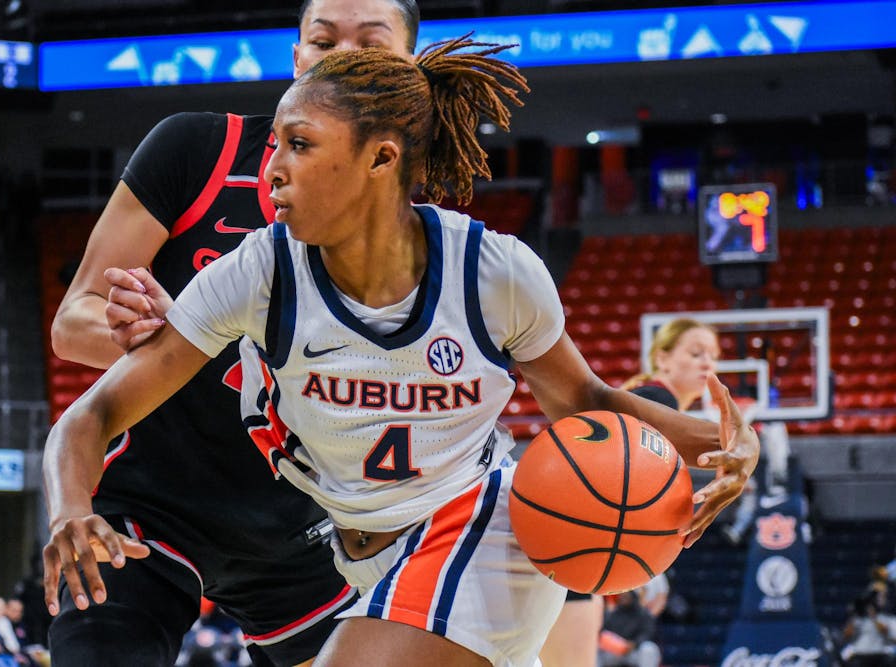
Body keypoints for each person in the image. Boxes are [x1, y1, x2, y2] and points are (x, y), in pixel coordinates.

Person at [43, 38, 759, 667]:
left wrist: (728, 441)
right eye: (274, 148)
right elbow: (93, 412)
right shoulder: (257, 270)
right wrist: (71, 506)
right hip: (353, 558)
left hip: (476, 529)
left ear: (381, 157)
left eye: (299, 144)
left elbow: (591, 404)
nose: (273, 170)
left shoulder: (494, 273)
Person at [42, 2, 421, 666]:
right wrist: (153, 335)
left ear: (408, 68)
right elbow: (73, 323)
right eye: (323, 39)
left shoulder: (423, 235)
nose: (341, 55)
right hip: (152, 503)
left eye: (371, 42)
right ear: (296, 56)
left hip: (305, 528)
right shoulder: (198, 149)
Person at [541, 318, 720, 665]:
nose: (707, 363)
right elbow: (617, 493)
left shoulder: (652, 403)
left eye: (713, 356)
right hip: (573, 549)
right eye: (696, 352)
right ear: (662, 358)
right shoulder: (657, 400)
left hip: (575, 549)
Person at [597, 590, 662, 667]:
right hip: (614, 651)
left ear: (633, 597)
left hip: (634, 651)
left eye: (626, 596)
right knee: (595, 648)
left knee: (649, 648)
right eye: (622, 596)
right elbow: (604, 633)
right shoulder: (613, 614)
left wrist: (634, 644)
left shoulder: (643, 614)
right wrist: (616, 644)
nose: (623, 598)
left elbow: (647, 633)